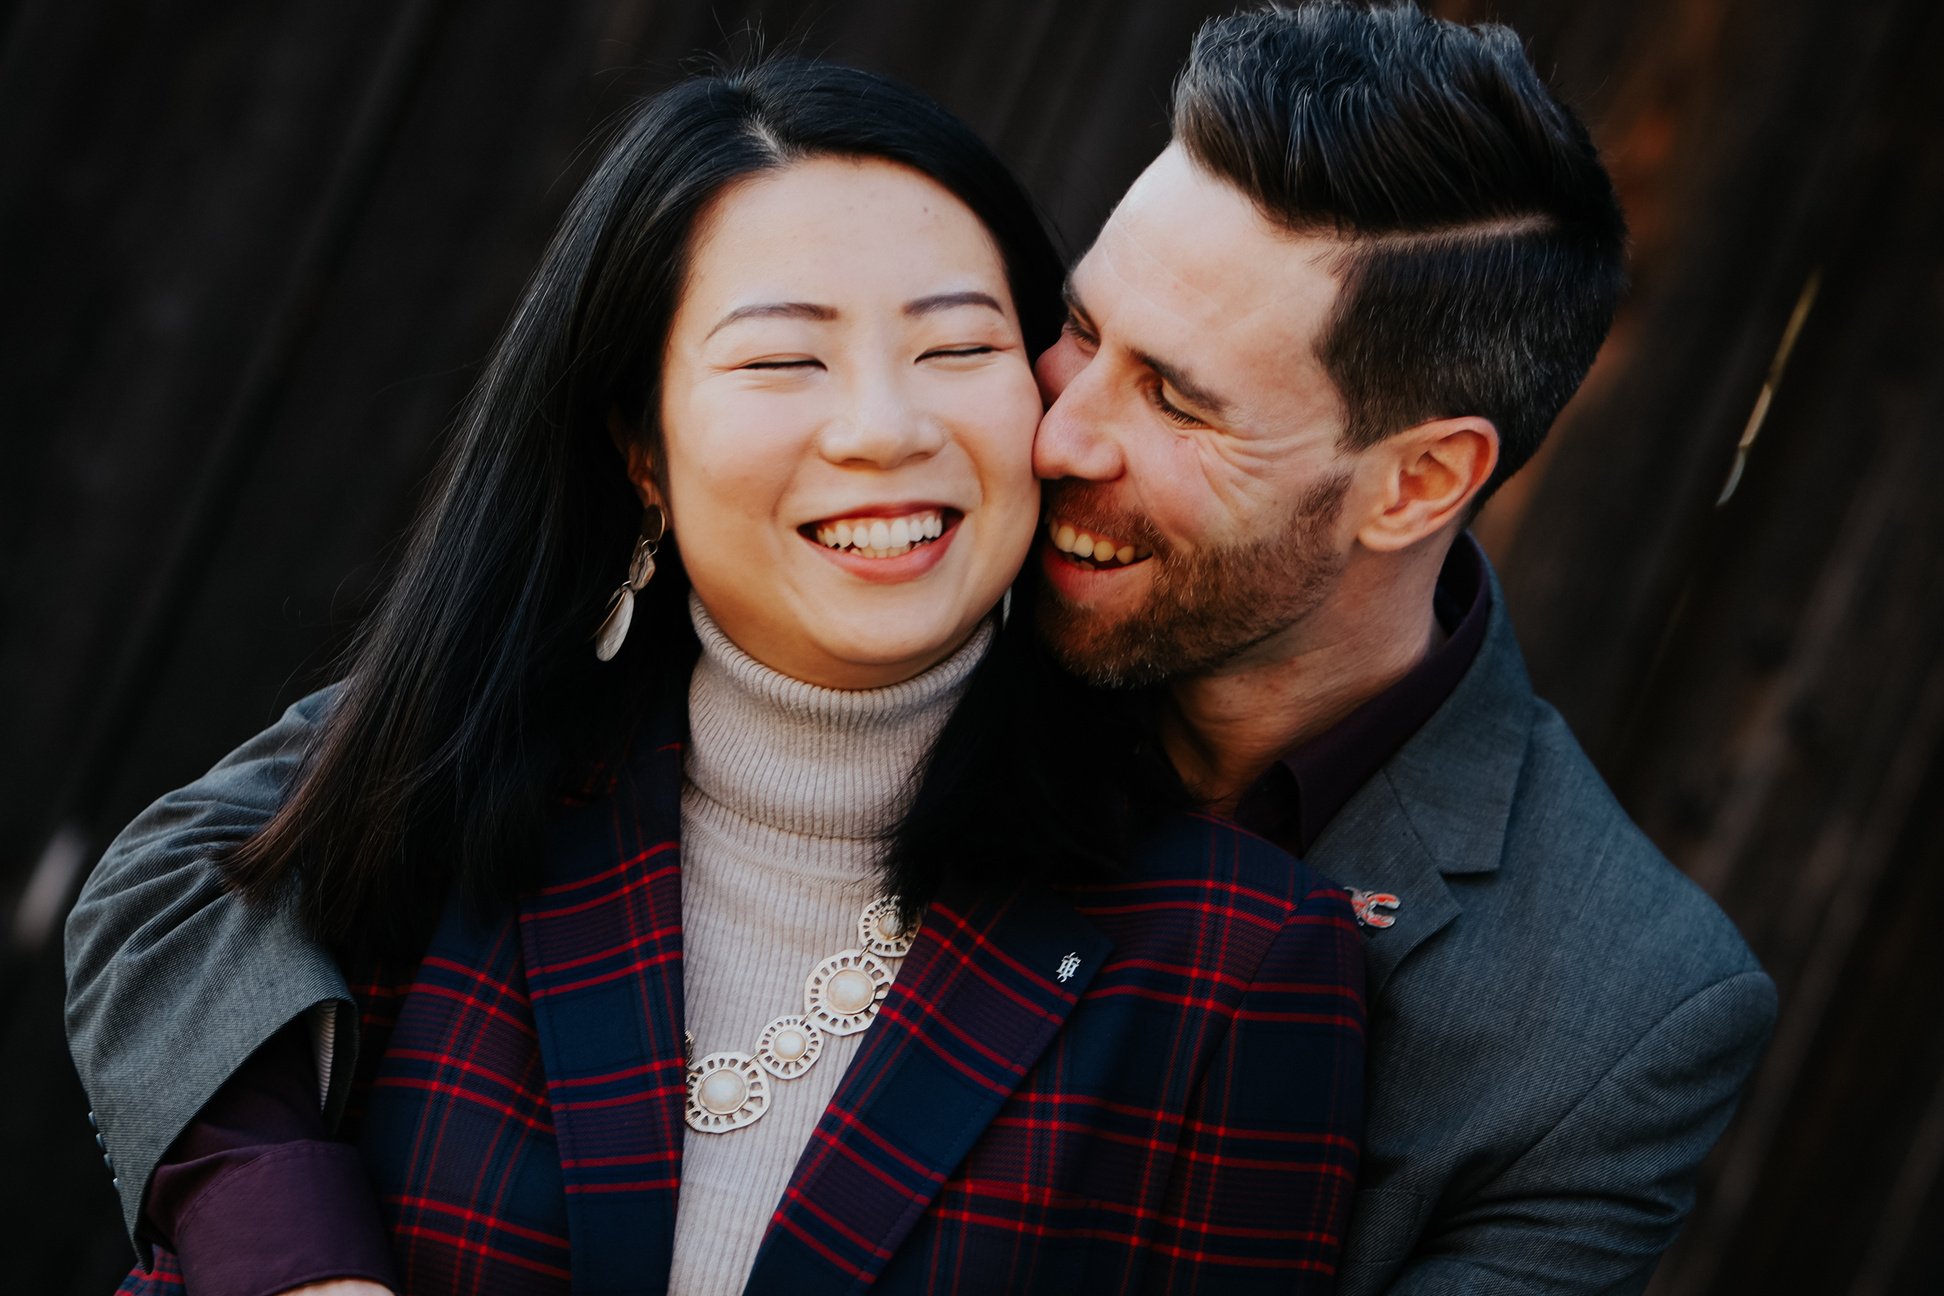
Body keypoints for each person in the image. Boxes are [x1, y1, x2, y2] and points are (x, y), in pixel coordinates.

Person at [66, 59, 1363, 1296]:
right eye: (781, 359)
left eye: (957, 349)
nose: (883, 428)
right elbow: (179, 890)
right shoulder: (444, 793)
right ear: (642, 449)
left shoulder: (1238, 971)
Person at [1030, 4, 1775, 1293]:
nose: (1057, 440)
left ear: (1420, 483)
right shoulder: (905, 604)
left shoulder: (1621, 1020)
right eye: (1084, 331)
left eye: (1175, 397)